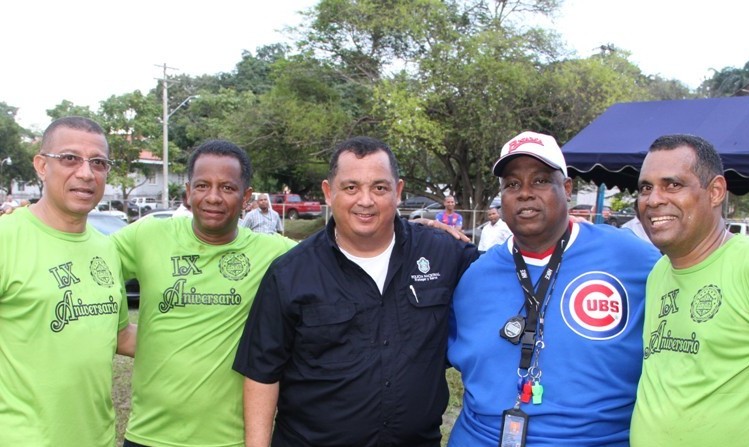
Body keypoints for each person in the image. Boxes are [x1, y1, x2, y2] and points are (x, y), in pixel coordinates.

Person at [233, 136, 478, 446]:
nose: (365, 200)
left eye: (380, 188)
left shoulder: (444, 254)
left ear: (398, 191)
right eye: (351, 188)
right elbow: (261, 374)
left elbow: (510, 270)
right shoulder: (289, 274)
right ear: (328, 192)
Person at [447, 131, 661, 446]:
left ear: (567, 188)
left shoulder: (631, 259)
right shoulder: (473, 277)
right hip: (481, 436)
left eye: (540, 181)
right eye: (512, 184)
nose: (525, 193)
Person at [112, 140, 296, 447]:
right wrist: (118, 329)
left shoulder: (274, 253)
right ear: (188, 192)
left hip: (230, 440)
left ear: (246, 197)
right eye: (202, 185)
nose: (213, 197)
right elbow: (91, 265)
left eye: (227, 187)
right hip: (148, 436)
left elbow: (329, 268)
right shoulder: (147, 236)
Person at [0, 116, 135, 446]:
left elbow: (119, 334)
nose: (86, 173)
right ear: (41, 165)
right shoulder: (7, 238)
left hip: (97, 438)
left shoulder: (106, 248)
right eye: (70, 158)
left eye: (98, 163)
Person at [630, 134, 749, 446]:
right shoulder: (659, 272)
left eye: (673, 185)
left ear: (715, 191)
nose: (653, 200)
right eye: (646, 188)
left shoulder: (743, 264)